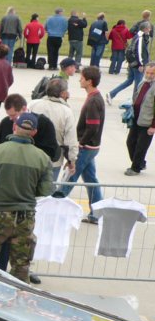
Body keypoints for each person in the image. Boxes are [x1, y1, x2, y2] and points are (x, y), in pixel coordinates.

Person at [0, 112, 54, 283]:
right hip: (25, 218)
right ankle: (19, 295)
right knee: (21, 266)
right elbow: (46, 190)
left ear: (14, 127)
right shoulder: (43, 158)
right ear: (34, 132)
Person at [60, 66, 105, 223]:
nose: (79, 79)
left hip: (86, 147)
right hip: (92, 147)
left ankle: (55, 209)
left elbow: (93, 127)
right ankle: (97, 214)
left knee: (69, 178)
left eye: (82, 78)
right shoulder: (94, 97)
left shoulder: (93, 101)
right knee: (91, 181)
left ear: (89, 81)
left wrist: (80, 143)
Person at [29, 78, 77, 181]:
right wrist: (71, 161)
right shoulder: (67, 112)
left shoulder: (32, 104)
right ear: (63, 93)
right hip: (53, 160)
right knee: (48, 189)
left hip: (30, 157)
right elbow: (70, 141)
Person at [0, 94, 59, 165]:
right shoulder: (5, 122)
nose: (10, 118)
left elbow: (51, 152)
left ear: (24, 109)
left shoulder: (44, 123)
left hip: (34, 168)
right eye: (9, 115)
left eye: (13, 115)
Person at [124, 63, 155, 176]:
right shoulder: (143, 83)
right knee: (130, 142)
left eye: (152, 73)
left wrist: (153, 126)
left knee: (141, 147)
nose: (149, 75)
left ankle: (135, 168)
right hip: (136, 119)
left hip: (147, 123)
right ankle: (140, 163)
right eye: (147, 72)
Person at [108, 22, 151, 104]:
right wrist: (141, 64)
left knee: (129, 81)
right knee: (138, 85)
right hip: (138, 65)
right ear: (145, 29)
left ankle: (111, 94)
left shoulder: (139, 36)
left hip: (133, 63)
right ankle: (135, 102)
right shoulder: (140, 38)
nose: (150, 30)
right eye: (149, 28)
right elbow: (139, 52)